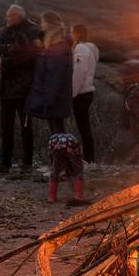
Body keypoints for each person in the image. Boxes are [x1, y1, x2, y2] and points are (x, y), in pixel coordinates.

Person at [0, 5, 39, 172]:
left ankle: (27, 163)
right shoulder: (7, 30)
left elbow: (29, 55)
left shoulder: (32, 30)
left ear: (17, 16)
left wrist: (5, 61)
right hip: (6, 87)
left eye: (8, 16)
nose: (6, 19)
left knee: (25, 127)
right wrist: (9, 50)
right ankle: (5, 163)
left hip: (24, 87)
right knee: (6, 127)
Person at [25, 11, 73, 135]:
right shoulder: (53, 46)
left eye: (43, 21)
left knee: (58, 136)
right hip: (54, 100)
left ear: (50, 24)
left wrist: (47, 102)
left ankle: (63, 155)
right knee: (57, 135)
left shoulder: (58, 48)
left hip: (54, 101)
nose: (41, 24)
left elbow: (54, 77)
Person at [71, 24, 99, 164]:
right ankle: (89, 158)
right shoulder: (91, 49)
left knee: (83, 127)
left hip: (81, 93)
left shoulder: (80, 49)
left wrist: (73, 93)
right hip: (87, 91)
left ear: (77, 34)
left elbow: (78, 73)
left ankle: (88, 159)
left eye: (72, 33)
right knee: (85, 127)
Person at [46, 133, 88, 205]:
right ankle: (78, 195)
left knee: (54, 172)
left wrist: (52, 165)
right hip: (70, 147)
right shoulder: (73, 139)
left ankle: (51, 197)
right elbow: (78, 155)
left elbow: (50, 154)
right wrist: (78, 163)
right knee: (78, 171)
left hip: (56, 147)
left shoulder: (53, 138)